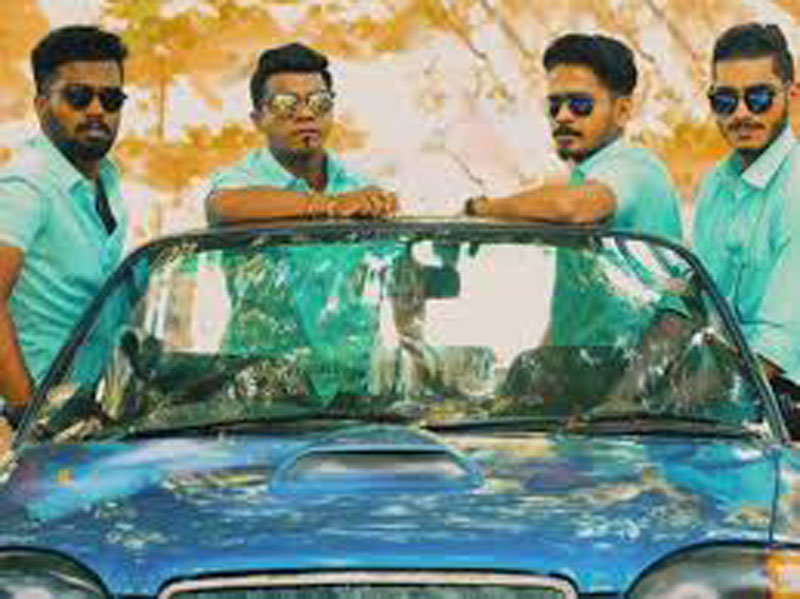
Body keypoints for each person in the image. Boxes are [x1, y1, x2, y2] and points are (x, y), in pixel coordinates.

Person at [465, 33, 683, 346]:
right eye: (555, 105)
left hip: (638, 367)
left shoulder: (633, 167)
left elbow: (569, 207)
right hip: (582, 367)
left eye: (581, 105)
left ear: (622, 111)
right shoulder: (585, 178)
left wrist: (480, 209)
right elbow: (574, 314)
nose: (564, 116)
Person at [0, 25, 129, 428]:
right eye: (78, 96)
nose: (97, 110)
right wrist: (27, 412)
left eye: (111, 98)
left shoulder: (107, 180)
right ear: (42, 104)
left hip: (87, 416)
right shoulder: (26, 186)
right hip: (32, 427)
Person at [692, 23, 800, 409]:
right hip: (728, 395)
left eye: (759, 98)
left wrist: (674, 407)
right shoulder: (715, 185)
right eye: (725, 100)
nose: (741, 113)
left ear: (792, 95)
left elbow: (774, 347)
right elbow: (690, 300)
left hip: (786, 406)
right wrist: (624, 399)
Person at [205, 42, 396, 224]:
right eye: (285, 103)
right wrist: (332, 204)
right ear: (258, 120)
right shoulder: (242, 180)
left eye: (319, 101)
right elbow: (222, 206)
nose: (306, 114)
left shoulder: (357, 184)